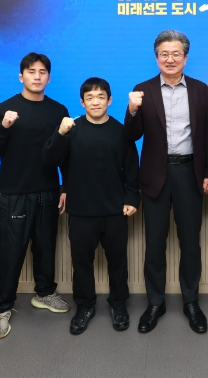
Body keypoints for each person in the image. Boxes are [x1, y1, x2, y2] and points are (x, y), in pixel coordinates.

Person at [124, 29, 208, 334]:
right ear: (156, 58)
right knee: (154, 244)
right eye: (164, 54)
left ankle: (191, 302)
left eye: (176, 53)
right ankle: (155, 303)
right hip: (155, 175)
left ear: (185, 58)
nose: (170, 59)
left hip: (190, 173)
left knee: (190, 243)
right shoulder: (142, 90)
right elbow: (131, 136)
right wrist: (132, 110)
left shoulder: (200, 89)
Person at [0, 52, 71, 339]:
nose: (37, 76)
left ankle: (45, 293)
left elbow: (65, 153)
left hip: (48, 190)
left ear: (49, 77)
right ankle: (1, 308)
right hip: (16, 192)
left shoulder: (58, 110)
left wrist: (66, 187)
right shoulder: (4, 109)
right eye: (31, 71)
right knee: (11, 251)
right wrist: (4, 127)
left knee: (46, 246)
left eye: (42, 72)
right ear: (21, 76)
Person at [42, 77, 139, 335]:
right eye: (90, 98)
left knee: (118, 261)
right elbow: (50, 159)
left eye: (100, 97)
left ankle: (118, 304)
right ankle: (84, 306)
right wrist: (59, 133)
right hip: (81, 210)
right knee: (81, 262)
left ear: (110, 100)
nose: (95, 102)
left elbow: (132, 167)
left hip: (115, 209)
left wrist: (131, 198)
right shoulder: (71, 129)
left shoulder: (120, 131)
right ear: (82, 102)